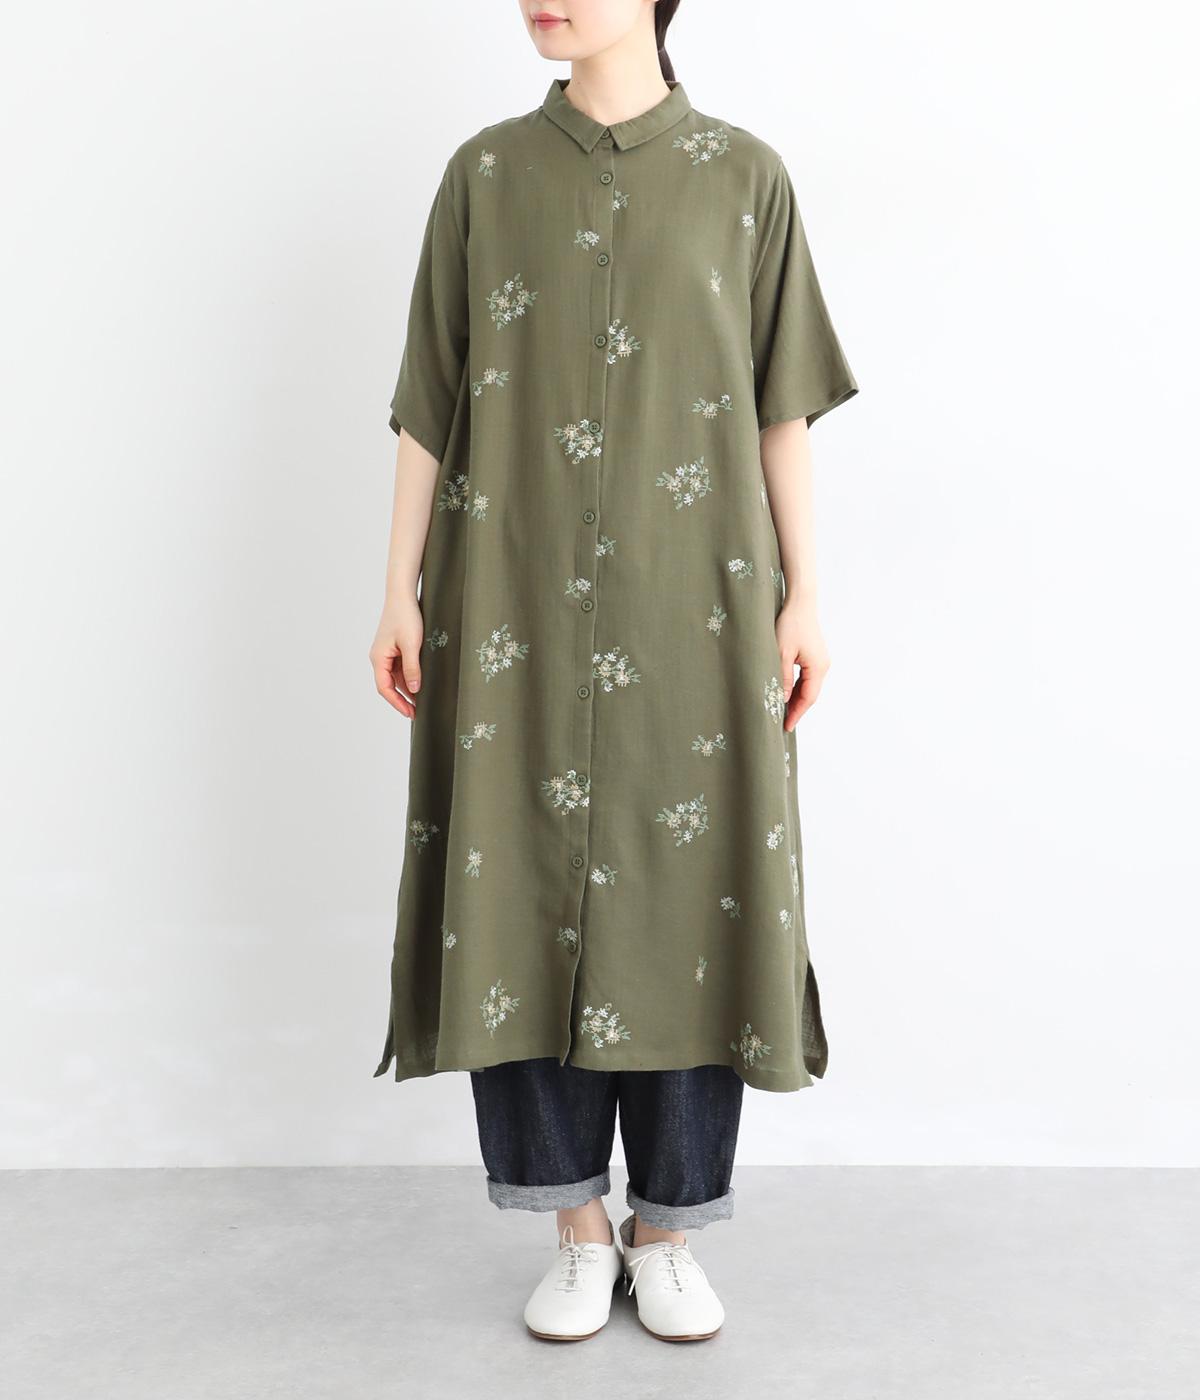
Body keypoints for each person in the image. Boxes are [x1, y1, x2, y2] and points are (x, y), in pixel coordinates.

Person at [368, 0, 857, 1343]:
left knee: (698, 894)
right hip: (508, 601)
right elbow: (429, 397)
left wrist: (807, 594)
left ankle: (670, 1231)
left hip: (700, 609)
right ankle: (577, 1229)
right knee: (512, 885)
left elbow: (781, 403)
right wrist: (397, 586)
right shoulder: (483, 175)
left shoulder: (745, 177)